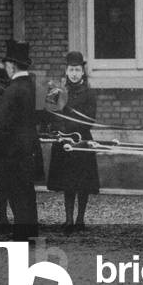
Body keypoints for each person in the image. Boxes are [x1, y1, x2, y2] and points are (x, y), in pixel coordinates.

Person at [0, 39, 39, 242]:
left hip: (12, 154)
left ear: (11, 66)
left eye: (7, 65)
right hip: (28, 151)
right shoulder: (30, 85)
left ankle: (21, 238)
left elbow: (1, 125)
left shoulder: (12, 90)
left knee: (17, 196)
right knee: (28, 194)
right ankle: (31, 234)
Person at [46, 51, 99, 234]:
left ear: (82, 72)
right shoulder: (59, 91)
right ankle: (68, 219)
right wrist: (60, 130)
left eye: (77, 70)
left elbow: (90, 119)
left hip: (82, 140)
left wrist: (70, 127)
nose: (74, 74)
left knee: (83, 183)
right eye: (71, 70)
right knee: (68, 182)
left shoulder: (90, 93)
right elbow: (53, 114)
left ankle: (80, 219)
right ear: (66, 71)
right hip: (64, 141)